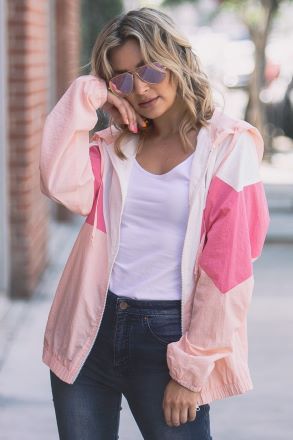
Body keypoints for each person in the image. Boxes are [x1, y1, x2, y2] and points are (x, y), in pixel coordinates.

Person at [39, 7, 270, 440]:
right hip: (90, 324)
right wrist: (87, 93)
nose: (140, 88)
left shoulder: (227, 147)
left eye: (149, 69)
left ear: (176, 59)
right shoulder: (113, 147)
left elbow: (229, 271)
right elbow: (58, 182)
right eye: (123, 79)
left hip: (168, 337)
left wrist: (192, 368)